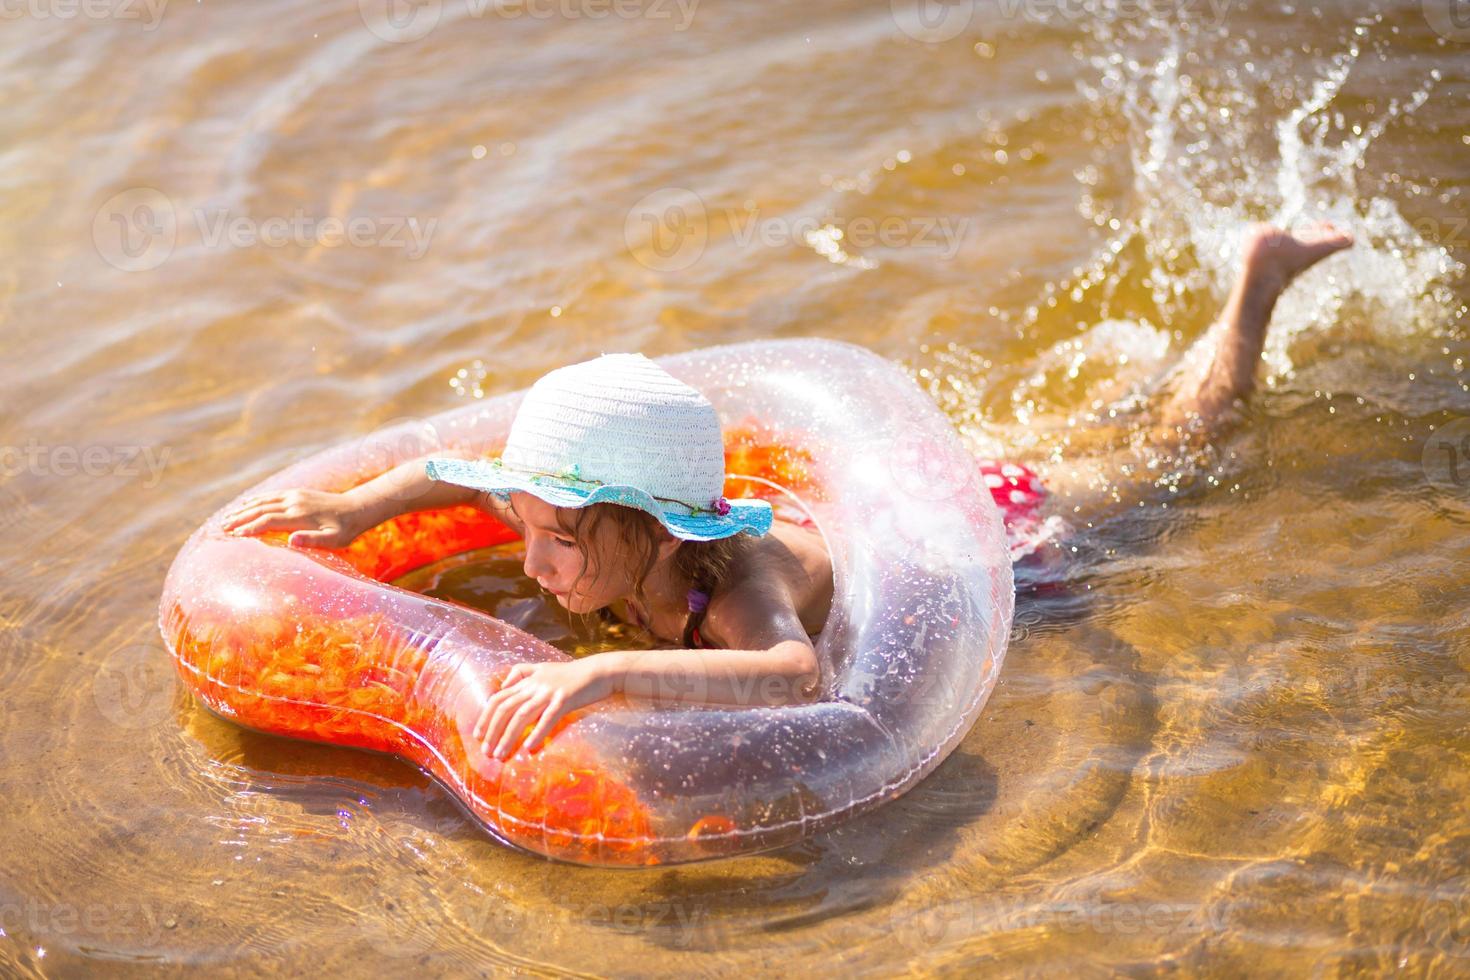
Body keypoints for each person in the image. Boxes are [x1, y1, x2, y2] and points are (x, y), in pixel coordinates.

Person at [219, 221, 1353, 761]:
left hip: (992, 532)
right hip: (896, 485)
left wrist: (606, 670)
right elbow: (455, 473)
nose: (532, 562)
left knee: (1182, 456)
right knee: (1107, 423)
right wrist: (359, 509)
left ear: (656, 531)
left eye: (558, 542)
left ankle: (1256, 290)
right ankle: (1170, 345)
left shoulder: (735, 587)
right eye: (535, 531)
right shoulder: (591, 527)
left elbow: (794, 669)